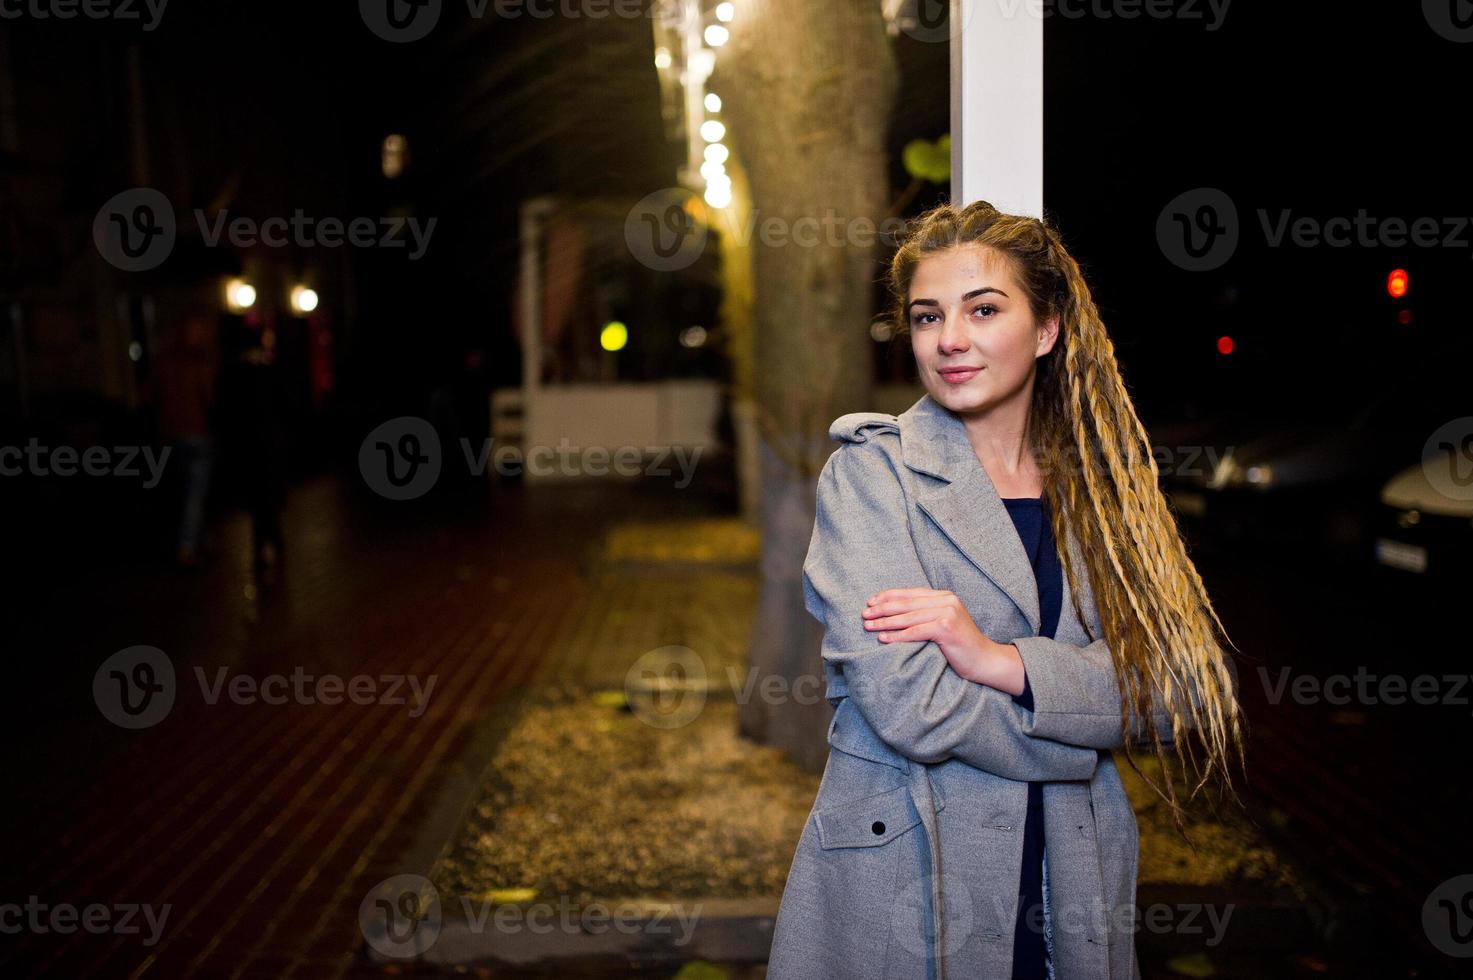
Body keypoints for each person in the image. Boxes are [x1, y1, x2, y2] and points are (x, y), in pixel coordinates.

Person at [766, 200, 1245, 980]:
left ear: (1047, 329)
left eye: (982, 309)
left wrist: (1001, 662)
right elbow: (910, 707)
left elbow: (1182, 690)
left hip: (1072, 867)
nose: (949, 339)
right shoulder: (870, 477)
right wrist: (1084, 739)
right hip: (909, 867)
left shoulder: (1104, 491)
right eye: (927, 317)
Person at [152, 307, 219, 568]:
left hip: (171, 434)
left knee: (185, 492)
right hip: (195, 433)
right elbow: (208, 399)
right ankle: (187, 546)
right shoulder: (198, 364)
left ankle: (197, 540)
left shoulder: (163, 363)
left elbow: (153, 397)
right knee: (194, 494)